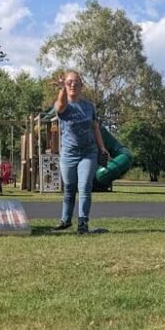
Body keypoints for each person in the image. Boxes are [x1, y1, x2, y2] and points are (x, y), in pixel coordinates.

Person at [53, 70, 109, 235]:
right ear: (65, 84)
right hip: (68, 154)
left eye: (76, 82)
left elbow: (95, 127)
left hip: (88, 153)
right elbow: (61, 105)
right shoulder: (61, 105)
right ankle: (65, 220)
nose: (73, 85)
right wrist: (62, 89)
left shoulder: (89, 106)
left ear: (82, 86)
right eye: (69, 82)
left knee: (84, 187)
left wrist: (102, 147)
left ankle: (83, 223)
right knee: (69, 188)